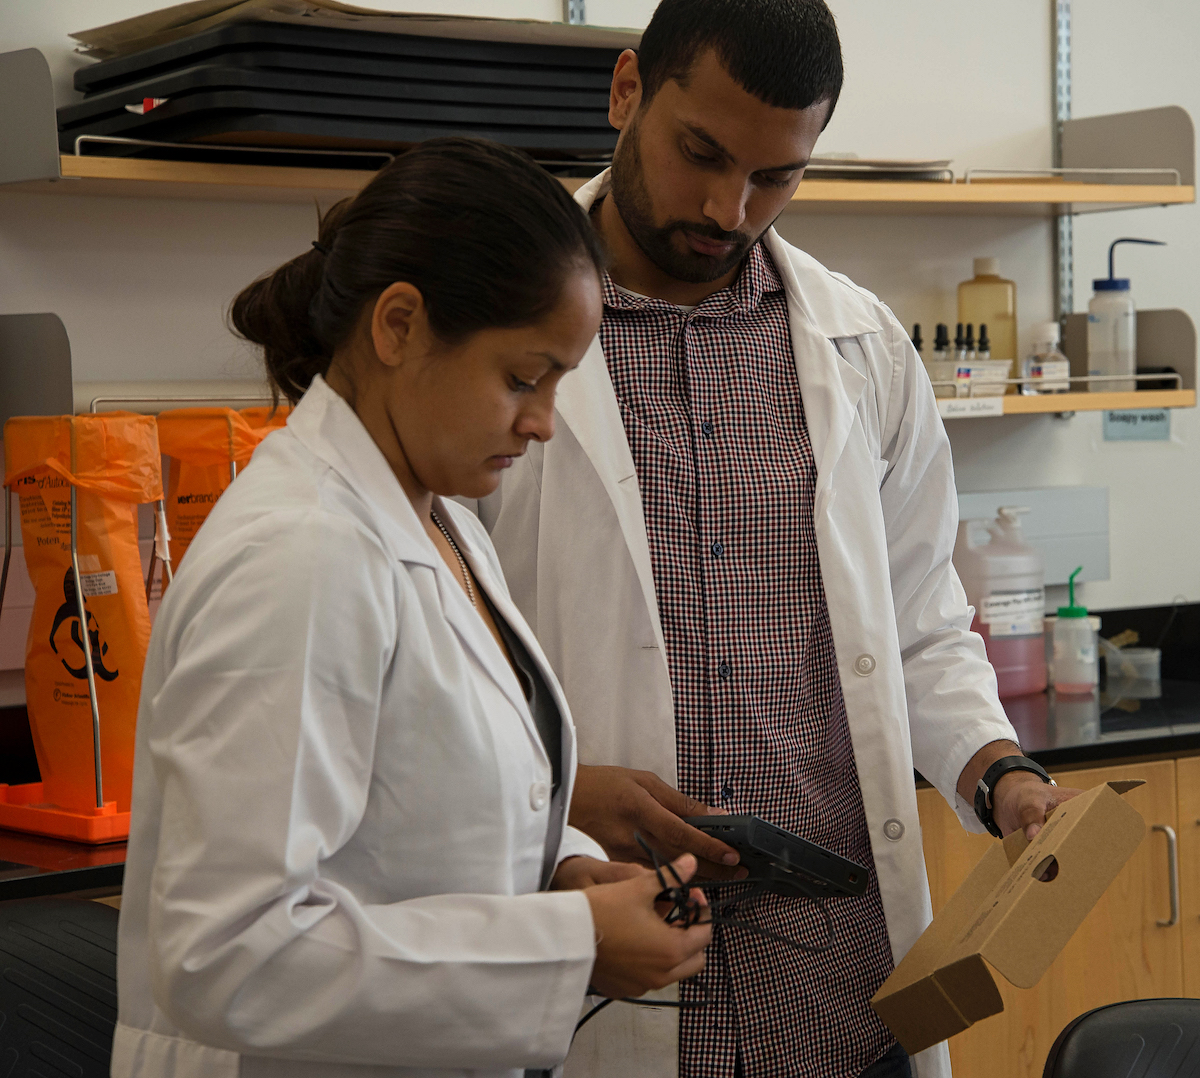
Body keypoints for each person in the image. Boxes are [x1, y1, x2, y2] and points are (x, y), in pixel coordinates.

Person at [479, 4, 1081, 1077]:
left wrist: (1001, 775)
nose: (727, 206)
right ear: (627, 92)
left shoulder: (863, 348)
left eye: (775, 176)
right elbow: (437, 664)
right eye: (700, 154)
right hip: (607, 962)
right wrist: (559, 796)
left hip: (838, 991)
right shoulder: (488, 337)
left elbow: (920, 620)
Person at [111, 138, 712, 1078]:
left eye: (560, 383)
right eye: (523, 377)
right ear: (398, 326)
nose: (544, 421)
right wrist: (564, 942)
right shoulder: (299, 556)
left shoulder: (439, 521)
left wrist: (561, 872)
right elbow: (222, 955)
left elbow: (427, 816)